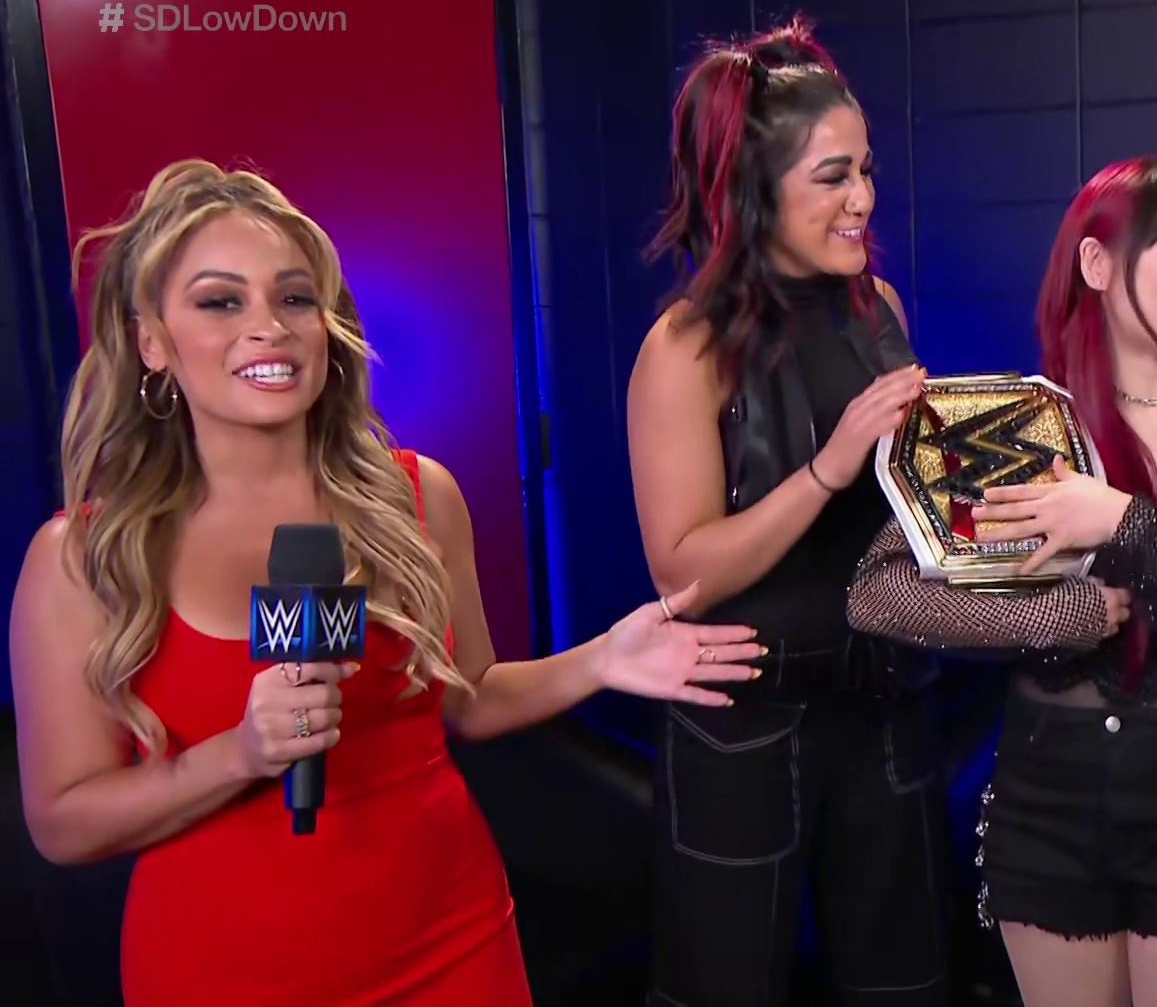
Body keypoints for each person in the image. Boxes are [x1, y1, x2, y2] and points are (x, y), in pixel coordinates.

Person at [7, 159, 765, 1007]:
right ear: (152, 339)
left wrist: (603, 659)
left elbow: (467, 699)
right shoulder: (84, 559)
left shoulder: (417, 497)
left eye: (295, 298)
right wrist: (238, 755)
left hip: (450, 942)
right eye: (220, 302)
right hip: (221, 970)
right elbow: (63, 822)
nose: (269, 327)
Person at [847, 155, 1157, 1007]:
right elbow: (874, 591)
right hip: (1046, 804)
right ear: (1099, 265)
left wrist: (1126, 523)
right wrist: (1056, 618)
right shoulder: (1023, 427)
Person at [625, 15, 946, 1007]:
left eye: (867, 172)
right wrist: (828, 468)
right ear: (754, 191)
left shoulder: (879, 309)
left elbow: (912, 518)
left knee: (907, 987)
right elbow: (681, 571)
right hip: (744, 729)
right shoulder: (684, 347)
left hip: (884, 705)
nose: (864, 200)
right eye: (833, 177)